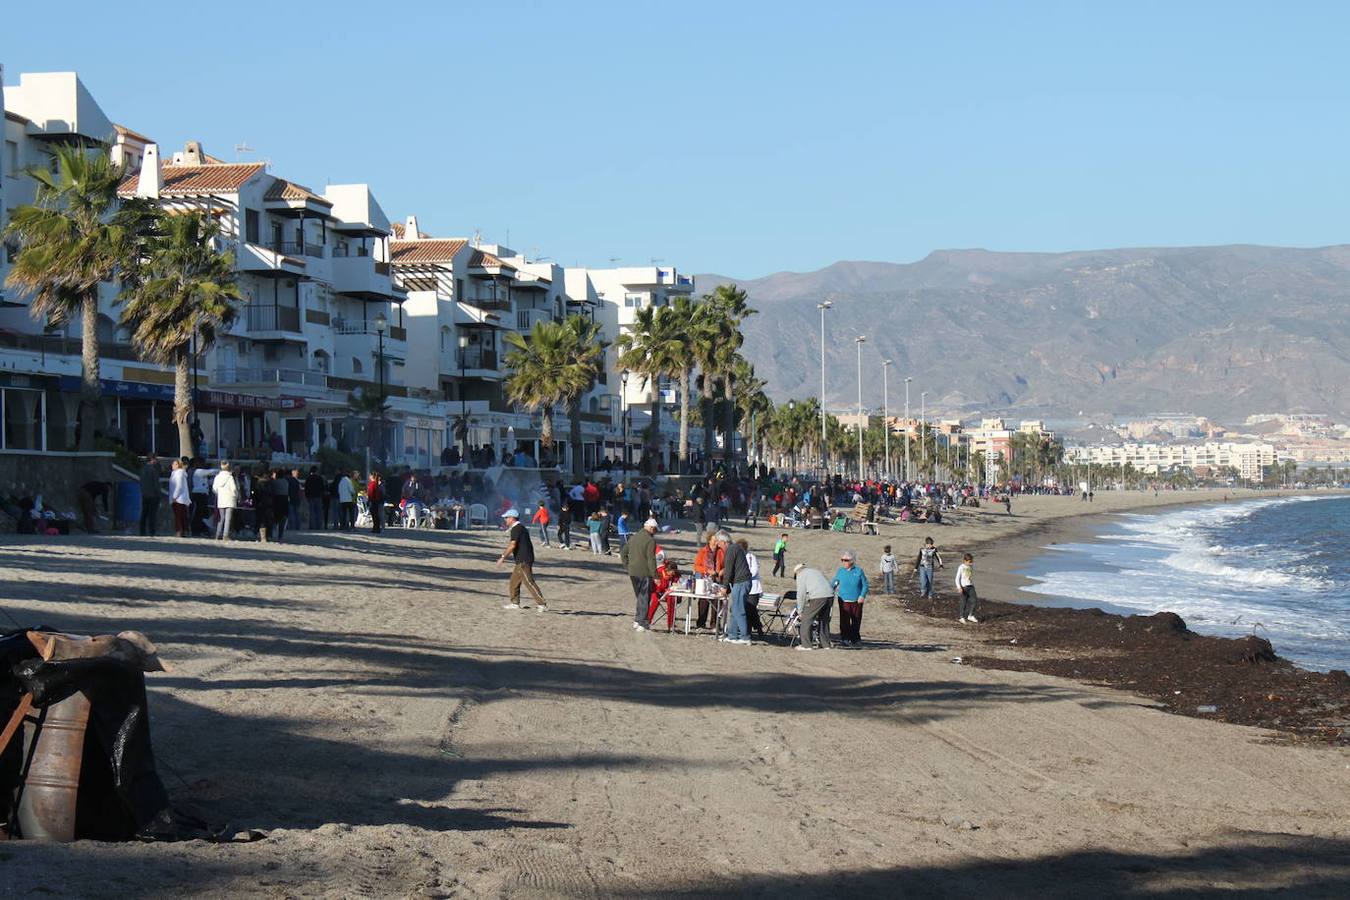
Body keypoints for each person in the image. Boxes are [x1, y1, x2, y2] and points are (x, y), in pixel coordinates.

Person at [497, 508, 547, 612]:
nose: (505, 520)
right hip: (523, 559)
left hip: (523, 559)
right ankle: (515, 603)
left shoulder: (516, 529)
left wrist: (502, 557)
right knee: (514, 582)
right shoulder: (520, 528)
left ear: (512, 518)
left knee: (529, 582)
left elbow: (512, 545)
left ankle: (542, 604)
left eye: (507, 518)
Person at [620, 517, 659, 631]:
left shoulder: (633, 537)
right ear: (651, 528)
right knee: (644, 597)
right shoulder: (650, 540)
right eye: (655, 530)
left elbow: (623, 553)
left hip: (632, 572)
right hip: (644, 572)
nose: (655, 532)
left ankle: (637, 620)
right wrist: (656, 576)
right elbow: (651, 560)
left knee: (640, 597)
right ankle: (642, 622)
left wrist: (627, 567)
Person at [717, 531, 753, 645]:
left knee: (739, 610)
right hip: (741, 582)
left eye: (719, 543)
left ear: (723, 542)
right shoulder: (735, 548)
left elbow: (728, 571)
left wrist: (724, 587)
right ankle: (732, 635)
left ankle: (745, 637)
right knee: (734, 609)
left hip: (741, 582)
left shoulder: (731, 549)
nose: (718, 545)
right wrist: (727, 589)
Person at [793, 563, 835, 650]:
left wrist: (800, 611)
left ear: (797, 572)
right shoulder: (815, 571)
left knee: (806, 619)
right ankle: (825, 644)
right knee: (824, 620)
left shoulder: (801, 575)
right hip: (830, 595)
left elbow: (801, 594)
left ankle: (806, 645)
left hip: (818, 597)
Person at [832, 550, 869, 647]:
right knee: (844, 620)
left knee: (856, 620)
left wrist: (862, 596)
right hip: (843, 599)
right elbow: (834, 582)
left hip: (856, 600)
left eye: (846, 560)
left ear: (852, 561)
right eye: (842, 560)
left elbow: (865, 585)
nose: (844, 562)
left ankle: (855, 638)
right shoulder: (840, 571)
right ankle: (845, 638)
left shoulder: (859, 571)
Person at [693, 528, 723, 631]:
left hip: (718, 580)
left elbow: (725, 565)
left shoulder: (721, 552)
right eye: (714, 541)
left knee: (716, 602)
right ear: (709, 540)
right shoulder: (703, 551)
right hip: (705, 579)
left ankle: (714, 625)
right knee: (703, 602)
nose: (716, 543)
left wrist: (721, 571)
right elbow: (696, 566)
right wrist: (707, 570)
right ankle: (701, 623)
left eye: (717, 541)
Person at [738, 538, 765, 637]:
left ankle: (757, 627)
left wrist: (744, 576)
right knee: (744, 609)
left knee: (751, 609)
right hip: (741, 587)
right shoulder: (738, 557)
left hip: (753, 588)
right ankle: (753, 628)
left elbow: (754, 570)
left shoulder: (751, 557)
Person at [212, 462, 239, 540]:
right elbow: (233, 488)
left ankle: (217, 534)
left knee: (221, 518)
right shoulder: (230, 477)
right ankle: (225, 535)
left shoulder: (217, 477)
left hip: (221, 499)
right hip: (229, 499)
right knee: (228, 518)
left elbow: (214, 489)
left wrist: (219, 494)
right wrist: (236, 496)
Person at [139, 456, 161, 536]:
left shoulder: (143, 469)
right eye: (155, 459)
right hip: (153, 495)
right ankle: (152, 531)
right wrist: (158, 492)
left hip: (145, 494)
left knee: (144, 513)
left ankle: (142, 531)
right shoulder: (153, 469)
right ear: (152, 460)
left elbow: (141, 481)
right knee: (152, 514)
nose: (156, 461)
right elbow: (156, 483)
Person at [168, 459, 191, 538]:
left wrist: (174, 496)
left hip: (178, 498)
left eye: (174, 464)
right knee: (182, 515)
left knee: (179, 516)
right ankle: (183, 530)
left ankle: (179, 531)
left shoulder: (179, 473)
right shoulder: (175, 473)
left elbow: (179, 486)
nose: (172, 465)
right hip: (179, 498)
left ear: (178, 465)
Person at [956, 553, 979, 624]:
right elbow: (957, 578)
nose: (971, 563)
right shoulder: (961, 567)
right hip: (964, 587)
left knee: (975, 600)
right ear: (965, 561)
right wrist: (959, 587)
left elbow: (969, 577)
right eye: (970, 562)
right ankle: (961, 617)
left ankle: (971, 615)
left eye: (971, 561)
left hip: (971, 586)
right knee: (963, 602)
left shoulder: (970, 567)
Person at [253, 470, 275, 543]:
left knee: (261, 520)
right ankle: (267, 536)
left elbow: (256, 495)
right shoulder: (270, 483)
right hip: (269, 504)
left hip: (260, 504)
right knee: (268, 520)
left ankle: (262, 537)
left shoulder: (258, 483)